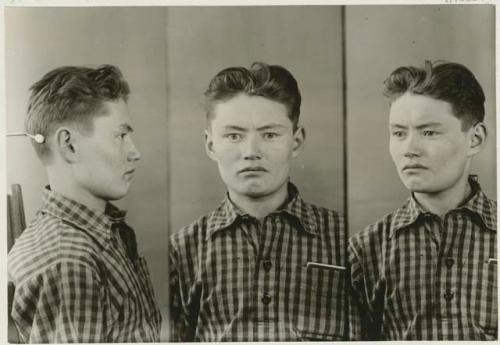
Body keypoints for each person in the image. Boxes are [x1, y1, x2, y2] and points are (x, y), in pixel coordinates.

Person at [169, 62, 347, 341]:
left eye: (270, 135)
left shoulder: (346, 239)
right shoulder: (182, 252)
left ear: (296, 141)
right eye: (234, 136)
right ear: (211, 145)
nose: (251, 152)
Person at [8, 65, 161, 342]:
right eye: (121, 135)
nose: (135, 152)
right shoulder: (69, 262)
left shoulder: (102, 235)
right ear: (69, 145)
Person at [348, 61, 497, 340]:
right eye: (399, 133)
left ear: (475, 139)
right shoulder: (365, 252)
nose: (409, 150)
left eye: (429, 132)